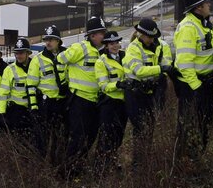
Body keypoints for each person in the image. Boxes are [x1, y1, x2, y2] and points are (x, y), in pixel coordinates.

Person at [173, 0, 213, 157]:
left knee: (204, 124)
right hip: (193, 86)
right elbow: (184, 62)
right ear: (199, 7)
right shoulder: (188, 27)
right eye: (207, 3)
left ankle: (197, 158)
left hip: (205, 83)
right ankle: (184, 163)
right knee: (189, 127)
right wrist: (196, 87)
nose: (209, 5)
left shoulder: (206, 25)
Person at [122, 18, 173, 169]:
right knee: (140, 128)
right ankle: (137, 163)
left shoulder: (156, 46)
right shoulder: (133, 48)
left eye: (153, 37)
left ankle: (144, 159)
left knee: (149, 127)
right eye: (149, 37)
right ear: (141, 34)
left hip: (149, 92)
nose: (152, 39)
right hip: (135, 93)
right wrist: (160, 69)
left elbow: (164, 63)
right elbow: (139, 71)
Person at [58, 16, 106, 176]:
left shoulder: (100, 52)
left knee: (91, 136)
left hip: (94, 101)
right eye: (101, 33)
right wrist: (64, 80)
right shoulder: (81, 48)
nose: (103, 36)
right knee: (77, 137)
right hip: (79, 101)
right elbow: (60, 59)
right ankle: (66, 172)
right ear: (92, 35)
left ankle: (79, 165)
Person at [26, 25, 68, 165]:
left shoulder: (67, 56)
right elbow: (31, 85)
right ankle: (40, 165)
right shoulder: (38, 60)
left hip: (63, 103)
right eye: (46, 40)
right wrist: (34, 107)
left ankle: (57, 164)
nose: (48, 42)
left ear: (58, 41)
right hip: (46, 105)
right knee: (42, 138)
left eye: (51, 39)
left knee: (60, 137)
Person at [94, 30, 128, 172]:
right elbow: (103, 85)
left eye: (117, 43)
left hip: (124, 103)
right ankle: (100, 166)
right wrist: (118, 85)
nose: (115, 46)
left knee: (119, 135)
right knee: (106, 135)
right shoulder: (101, 61)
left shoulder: (125, 57)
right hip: (109, 103)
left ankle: (112, 160)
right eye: (111, 43)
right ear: (106, 45)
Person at [0, 38, 37, 140]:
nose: (18, 56)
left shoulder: (36, 67)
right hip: (17, 112)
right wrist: (2, 113)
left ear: (28, 53)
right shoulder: (9, 70)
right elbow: (3, 93)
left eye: (21, 53)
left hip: (34, 110)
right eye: (16, 53)